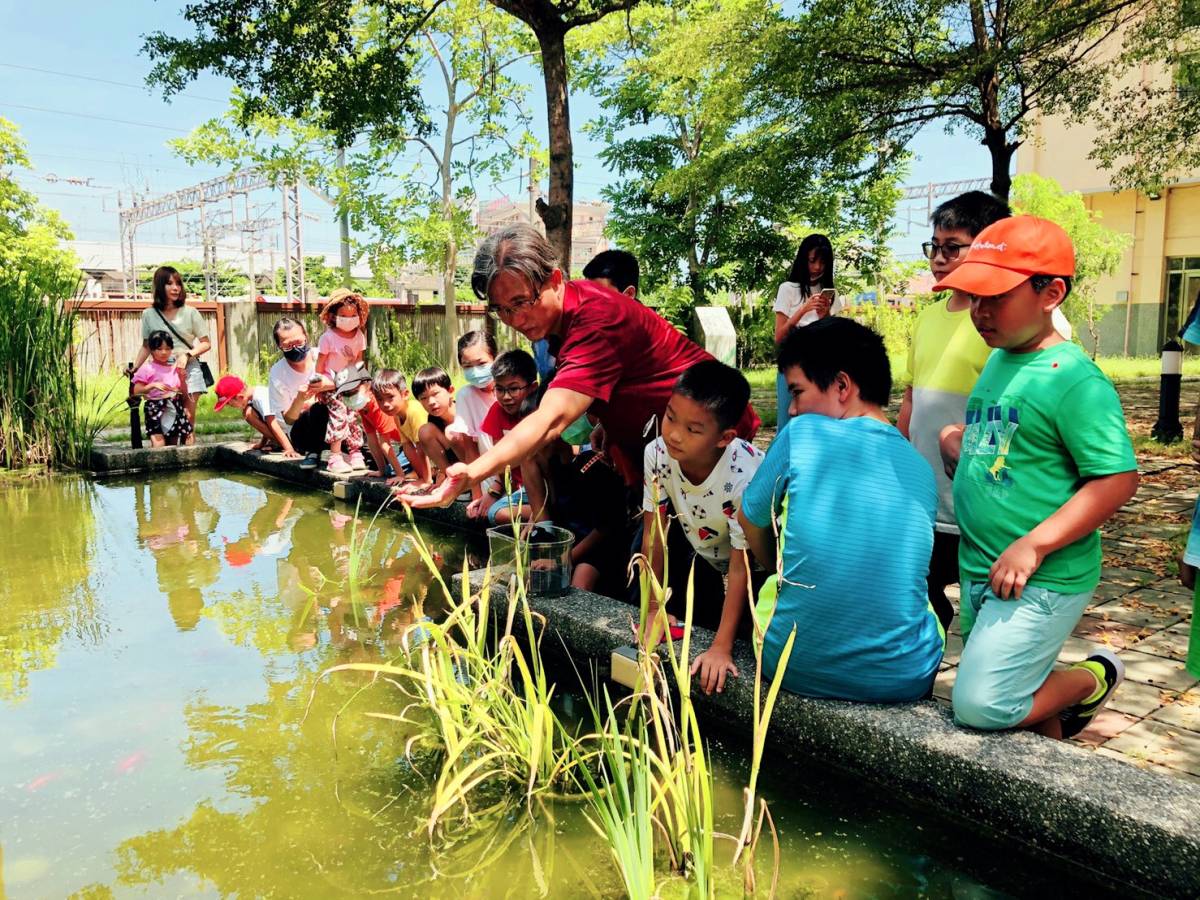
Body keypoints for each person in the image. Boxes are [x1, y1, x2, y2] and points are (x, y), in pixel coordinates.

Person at [936, 216, 1139, 738]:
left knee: (982, 703)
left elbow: (1116, 479)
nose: (979, 311)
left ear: (1050, 293)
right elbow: (1012, 430)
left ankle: (1093, 678)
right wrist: (957, 437)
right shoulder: (1003, 359)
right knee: (1016, 704)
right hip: (986, 568)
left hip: (1040, 575)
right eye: (973, 296)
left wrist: (1034, 545)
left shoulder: (1073, 380)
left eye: (995, 297)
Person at [401, 224, 758, 515]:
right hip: (657, 450)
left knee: (715, 550)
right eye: (502, 310)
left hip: (707, 437)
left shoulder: (596, 319)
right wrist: (606, 421)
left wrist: (472, 473)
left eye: (522, 302)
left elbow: (552, 419)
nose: (516, 319)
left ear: (555, 279)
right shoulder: (562, 318)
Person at [738, 318, 944, 703]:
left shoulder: (800, 434)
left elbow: (749, 520)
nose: (794, 410)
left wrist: (776, 566)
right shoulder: (920, 467)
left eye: (797, 393)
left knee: (772, 590)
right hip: (904, 678)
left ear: (842, 386)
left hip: (790, 663)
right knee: (925, 606)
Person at [897, 191, 1010, 632]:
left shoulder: (1006, 322)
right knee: (916, 604)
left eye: (952, 247)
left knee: (987, 614)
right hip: (925, 500)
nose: (939, 258)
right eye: (934, 246)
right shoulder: (927, 318)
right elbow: (911, 399)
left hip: (982, 503)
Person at [643, 360, 763, 696]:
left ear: (725, 438)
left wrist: (721, 648)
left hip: (759, 562)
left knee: (740, 638)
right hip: (699, 545)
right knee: (696, 617)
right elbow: (655, 535)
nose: (674, 435)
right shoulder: (656, 454)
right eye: (669, 417)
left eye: (693, 429)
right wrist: (653, 608)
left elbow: (743, 567)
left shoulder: (744, 477)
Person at [131, 266, 211, 442]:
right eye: (169, 284)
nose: (176, 288)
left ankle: (190, 464)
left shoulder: (190, 312)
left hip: (188, 369)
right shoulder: (149, 314)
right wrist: (135, 368)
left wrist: (187, 355)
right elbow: (146, 346)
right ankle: (171, 463)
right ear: (160, 286)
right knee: (167, 423)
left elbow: (206, 343)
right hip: (161, 372)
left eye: (178, 284)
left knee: (188, 421)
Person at [773, 234, 841, 430]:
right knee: (787, 423)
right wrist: (803, 309)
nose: (817, 267)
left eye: (822, 262)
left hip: (820, 367)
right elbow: (779, 336)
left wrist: (824, 314)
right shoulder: (787, 289)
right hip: (791, 365)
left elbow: (834, 338)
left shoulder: (830, 293)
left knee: (817, 422)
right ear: (803, 260)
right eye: (812, 261)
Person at [475, 350, 539, 525]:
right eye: (500, 389)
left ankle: (544, 513)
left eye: (513, 389)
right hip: (519, 490)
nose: (506, 397)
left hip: (546, 485)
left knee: (499, 513)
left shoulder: (540, 412)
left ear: (532, 387)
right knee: (493, 513)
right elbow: (502, 462)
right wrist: (493, 492)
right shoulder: (497, 411)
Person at [408, 366, 484, 506]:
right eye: (424, 398)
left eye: (435, 394)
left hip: (480, 465)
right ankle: (452, 480)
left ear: (450, 391)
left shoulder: (464, 412)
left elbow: (474, 451)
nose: (431, 402)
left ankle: (468, 484)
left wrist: (477, 494)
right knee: (424, 431)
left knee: (451, 431)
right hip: (456, 468)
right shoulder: (433, 421)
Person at [266, 317, 333, 464]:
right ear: (279, 346)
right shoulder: (277, 372)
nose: (295, 348)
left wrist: (326, 385)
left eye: (298, 343)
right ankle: (313, 453)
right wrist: (300, 400)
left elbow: (346, 380)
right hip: (302, 434)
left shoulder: (322, 356)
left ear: (306, 337)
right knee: (317, 408)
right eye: (288, 346)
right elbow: (288, 419)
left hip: (333, 424)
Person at [316, 288, 369, 473]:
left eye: (353, 314)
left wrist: (361, 382)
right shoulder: (327, 338)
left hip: (351, 382)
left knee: (353, 416)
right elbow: (320, 365)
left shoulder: (359, 336)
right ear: (333, 315)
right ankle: (335, 456)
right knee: (338, 415)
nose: (349, 318)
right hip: (332, 384)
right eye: (344, 315)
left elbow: (359, 360)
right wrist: (319, 389)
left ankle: (355, 452)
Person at [369, 369, 432, 487]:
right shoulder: (397, 415)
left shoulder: (413, 411)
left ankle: (431, 476)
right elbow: (408, 447)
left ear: (405, 394)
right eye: (380, 399)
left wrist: (426, 480)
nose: (385, 404)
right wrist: (420, 477)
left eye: (390, 397)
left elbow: (422, 449)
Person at [131, 330, 193, 447]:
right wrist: (152, 386)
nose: (164, 352)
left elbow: (183, 393)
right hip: (155, 408)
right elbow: (136, 391)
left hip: (174, 406)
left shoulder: (175, 369)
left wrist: (182, 377)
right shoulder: (147, 368)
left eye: (168, 348)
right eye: (159, 349)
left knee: (173, 444)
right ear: (152, 350)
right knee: (158, 442)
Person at [451, 330, 499, 450]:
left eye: (481, 363)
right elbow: (470, 448)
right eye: (467, 366)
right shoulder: (465, 395)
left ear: (496, 358)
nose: (475, 372)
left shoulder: (512, 388)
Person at [213, 374, 278, 451]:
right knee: (248, 412)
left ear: (239, 397)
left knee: (248, 413)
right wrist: (262, 444)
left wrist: (289, 448)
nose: (229, 406)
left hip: (291, 434)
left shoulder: (260, 398)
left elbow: (272, 423)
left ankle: (281, 443)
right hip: (285, 431)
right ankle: (277, 442)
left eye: (228, 403)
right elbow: (267, 423)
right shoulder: (255, 397)